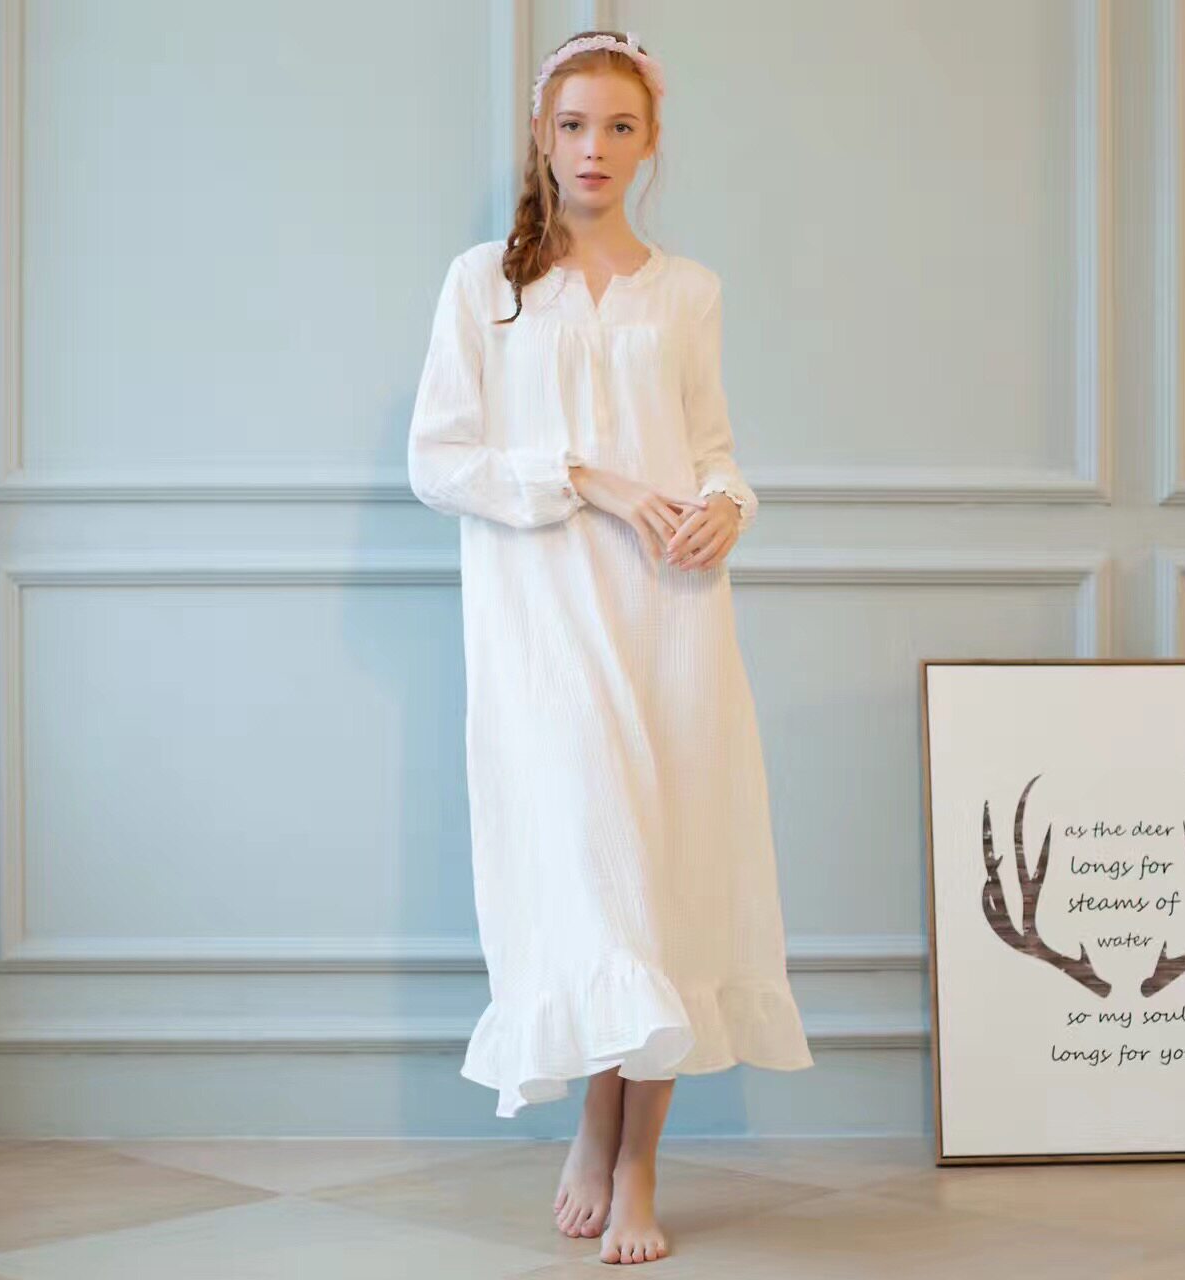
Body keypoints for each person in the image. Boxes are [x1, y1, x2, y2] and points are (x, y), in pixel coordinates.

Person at [407, 29, 813, 1266]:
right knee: (596, 877)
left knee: (667, 883)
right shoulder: (485, 284)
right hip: (544, 628)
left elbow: (716, 450)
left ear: (649, 143)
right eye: (575, 125)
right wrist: (585, 476)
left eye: (618, 128)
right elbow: (437, 461)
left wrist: (728, 505)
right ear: (543, 135)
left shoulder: (686, 291)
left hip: (671, 615)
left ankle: (631, 1158)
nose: (594, 148)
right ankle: (595, 1127)